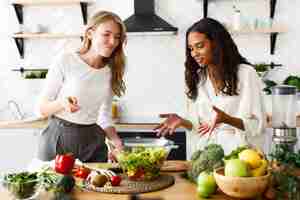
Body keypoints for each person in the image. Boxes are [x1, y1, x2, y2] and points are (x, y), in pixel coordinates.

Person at [155, 18, 266, 158]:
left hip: (239, 156)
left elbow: (258, 125)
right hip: (206, 154)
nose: (194, 53)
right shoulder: (198, 79)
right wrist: (182, 121)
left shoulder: (246, 73)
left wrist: (227, 119)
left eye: (200, 46)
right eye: (191, 49)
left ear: (216, 44)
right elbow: (198, 128)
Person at [36, 11, 126, 162]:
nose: (113, 42)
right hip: (59, 138)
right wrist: (62, 103)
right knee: (57, 185)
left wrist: (116, 141)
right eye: (106, 34)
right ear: (90, 34)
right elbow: (41, 109)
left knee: (100, 185)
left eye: (117, 37)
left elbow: (103, 117)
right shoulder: (66, 60)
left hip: (93, 141)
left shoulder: (112, 70)